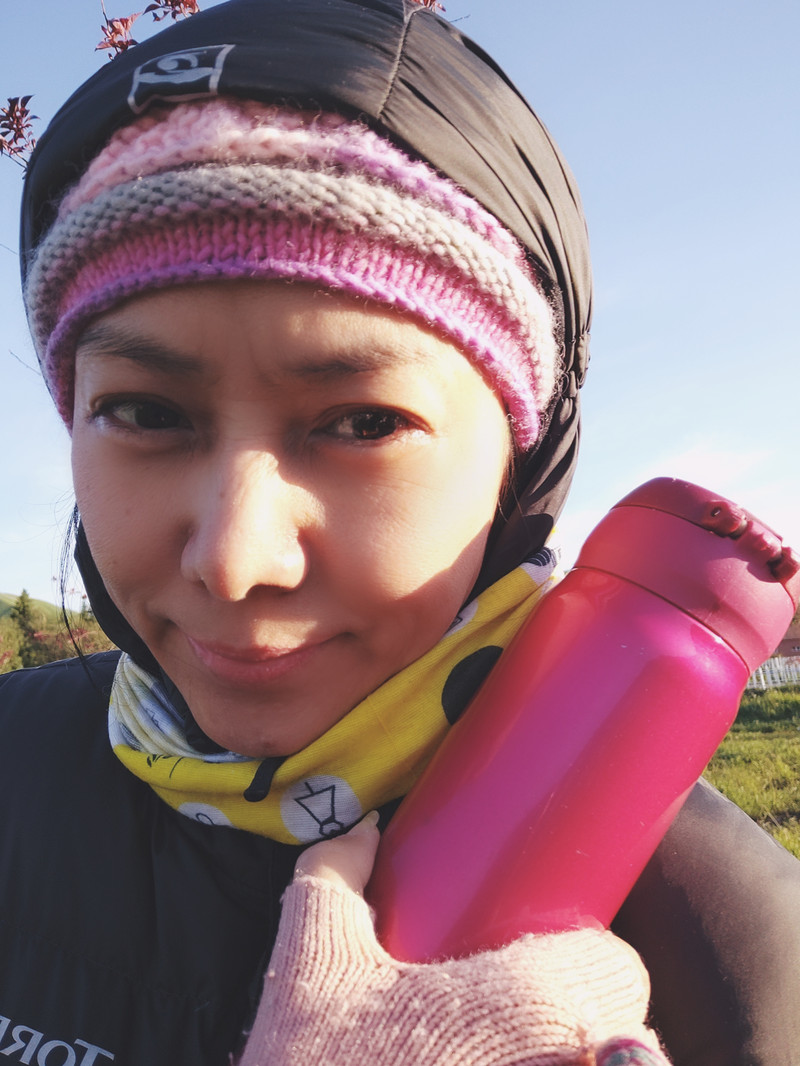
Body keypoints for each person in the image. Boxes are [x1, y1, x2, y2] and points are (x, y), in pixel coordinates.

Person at [2, 1, 800, 1063]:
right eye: (145, 412)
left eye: (363, 423)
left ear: (521, 464)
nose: (234, 562)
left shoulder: (743, 962)